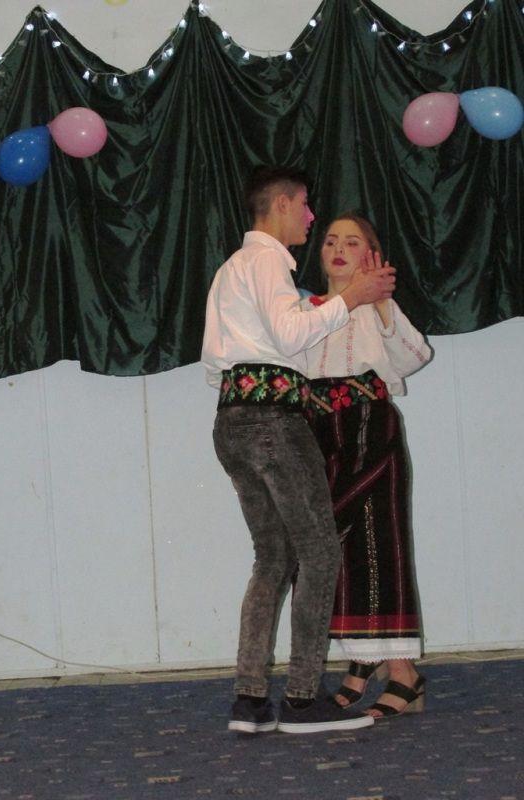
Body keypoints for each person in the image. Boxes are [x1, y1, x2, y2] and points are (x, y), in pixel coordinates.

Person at [201, 167, 396, 734]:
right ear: (283, 204)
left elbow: (216, 362)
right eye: (306, 205)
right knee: (319, 552)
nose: (311, 216)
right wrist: (352, 298)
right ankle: (303, 700)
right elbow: (289, 337)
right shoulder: (267, 262)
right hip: (273, 423)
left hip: (232, 419)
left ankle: (250, 700)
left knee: (272, 557)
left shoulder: (231, 270)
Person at [303, 213, 431, 718]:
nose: (338, 249)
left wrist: (379, 303)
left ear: (371, 255)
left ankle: (404, 674)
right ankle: (360, 664)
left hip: (369, 425)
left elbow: (415, 356)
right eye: (331, 241)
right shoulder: (305, 310)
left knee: (380, 543)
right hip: (319, 431)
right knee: (337, 549)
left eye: (352, 242)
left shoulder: (379, 309)